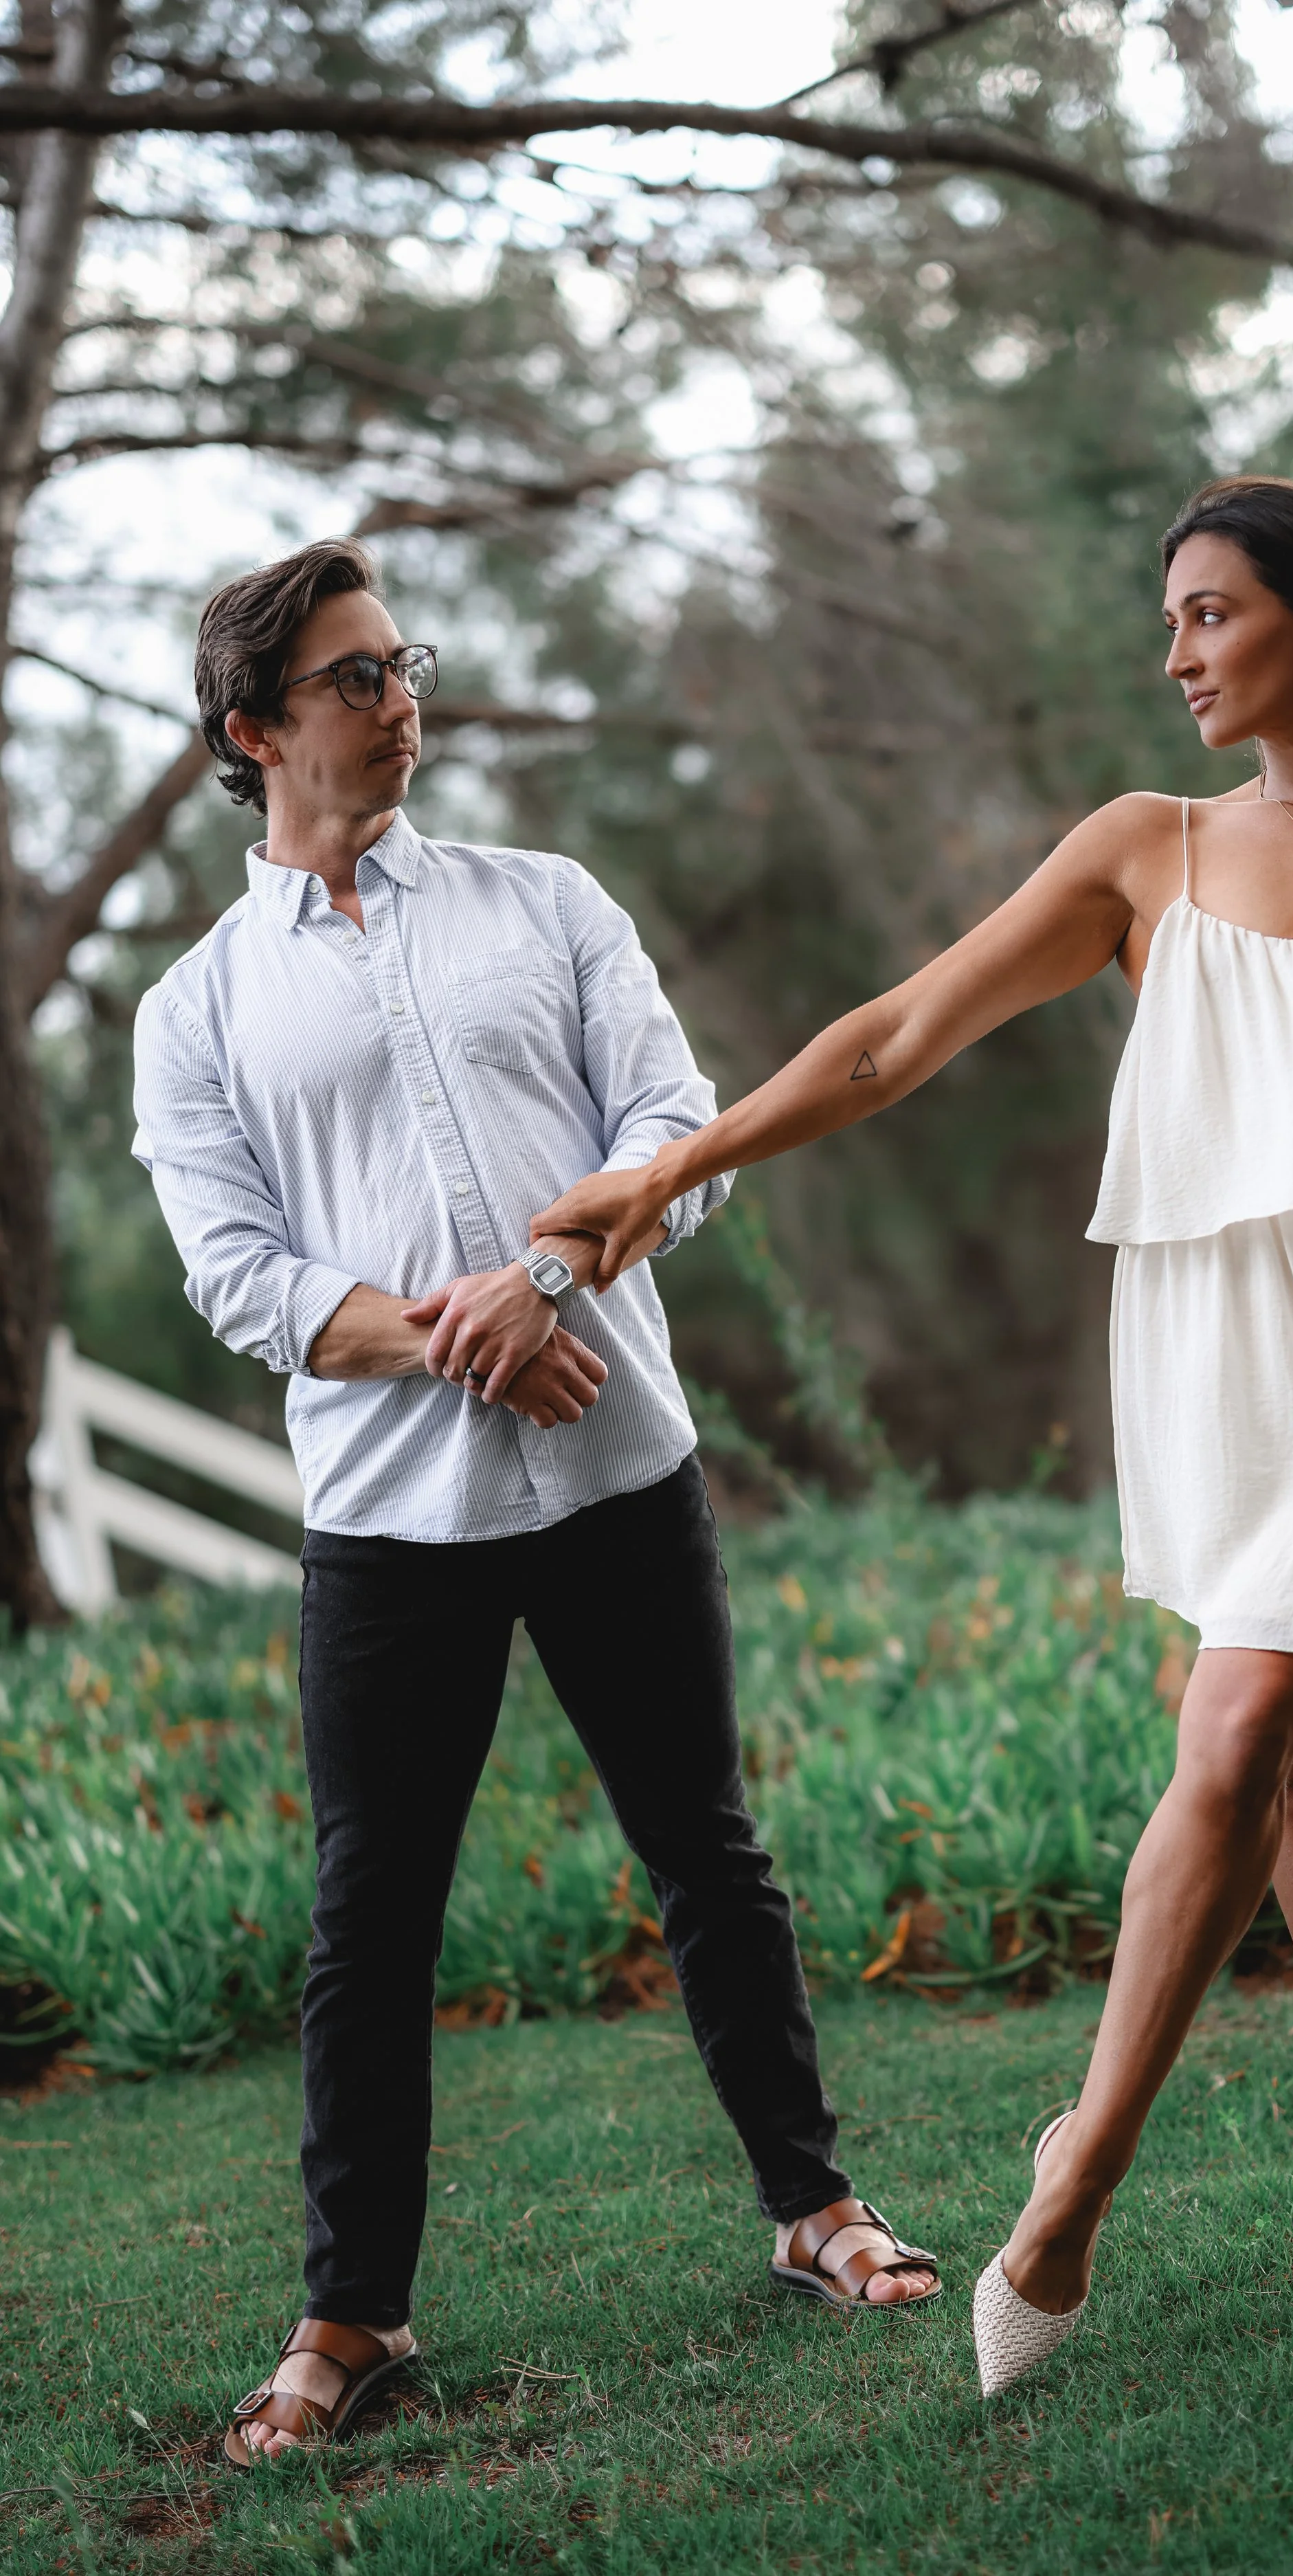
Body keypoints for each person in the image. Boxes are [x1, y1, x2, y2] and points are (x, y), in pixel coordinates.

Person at [536, 476, 1293, 2397]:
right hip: (1225, 1340)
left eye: (1206, 612)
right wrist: (668, 1170)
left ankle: (1072, 2178)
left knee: (1253, 1717)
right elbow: (895, 1036)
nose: (1173, 654)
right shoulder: (1142, 850)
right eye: (1167, 621)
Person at [131, 539, 939, 2469]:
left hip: (617, 1471)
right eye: (351, 676)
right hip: (387, 1529)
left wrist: (544, 1280)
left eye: (402, 658)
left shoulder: (545, 903)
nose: (398, 695)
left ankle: (815, 2211)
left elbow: (686, 1137)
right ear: (255, 732)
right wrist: (454, 1338)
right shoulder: (196, 1010)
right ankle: (352, 2311)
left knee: (707, 1855)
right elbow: (237, 1274)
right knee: (367, 1924)